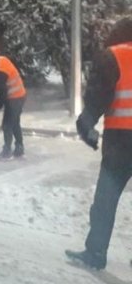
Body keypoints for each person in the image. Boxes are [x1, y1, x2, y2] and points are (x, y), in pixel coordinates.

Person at [66, 17, 132, 270]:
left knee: (106, 200)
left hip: (121, 143)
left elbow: (98, 96)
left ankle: (95, 254)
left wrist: (86, 124)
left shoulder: (113, 56)